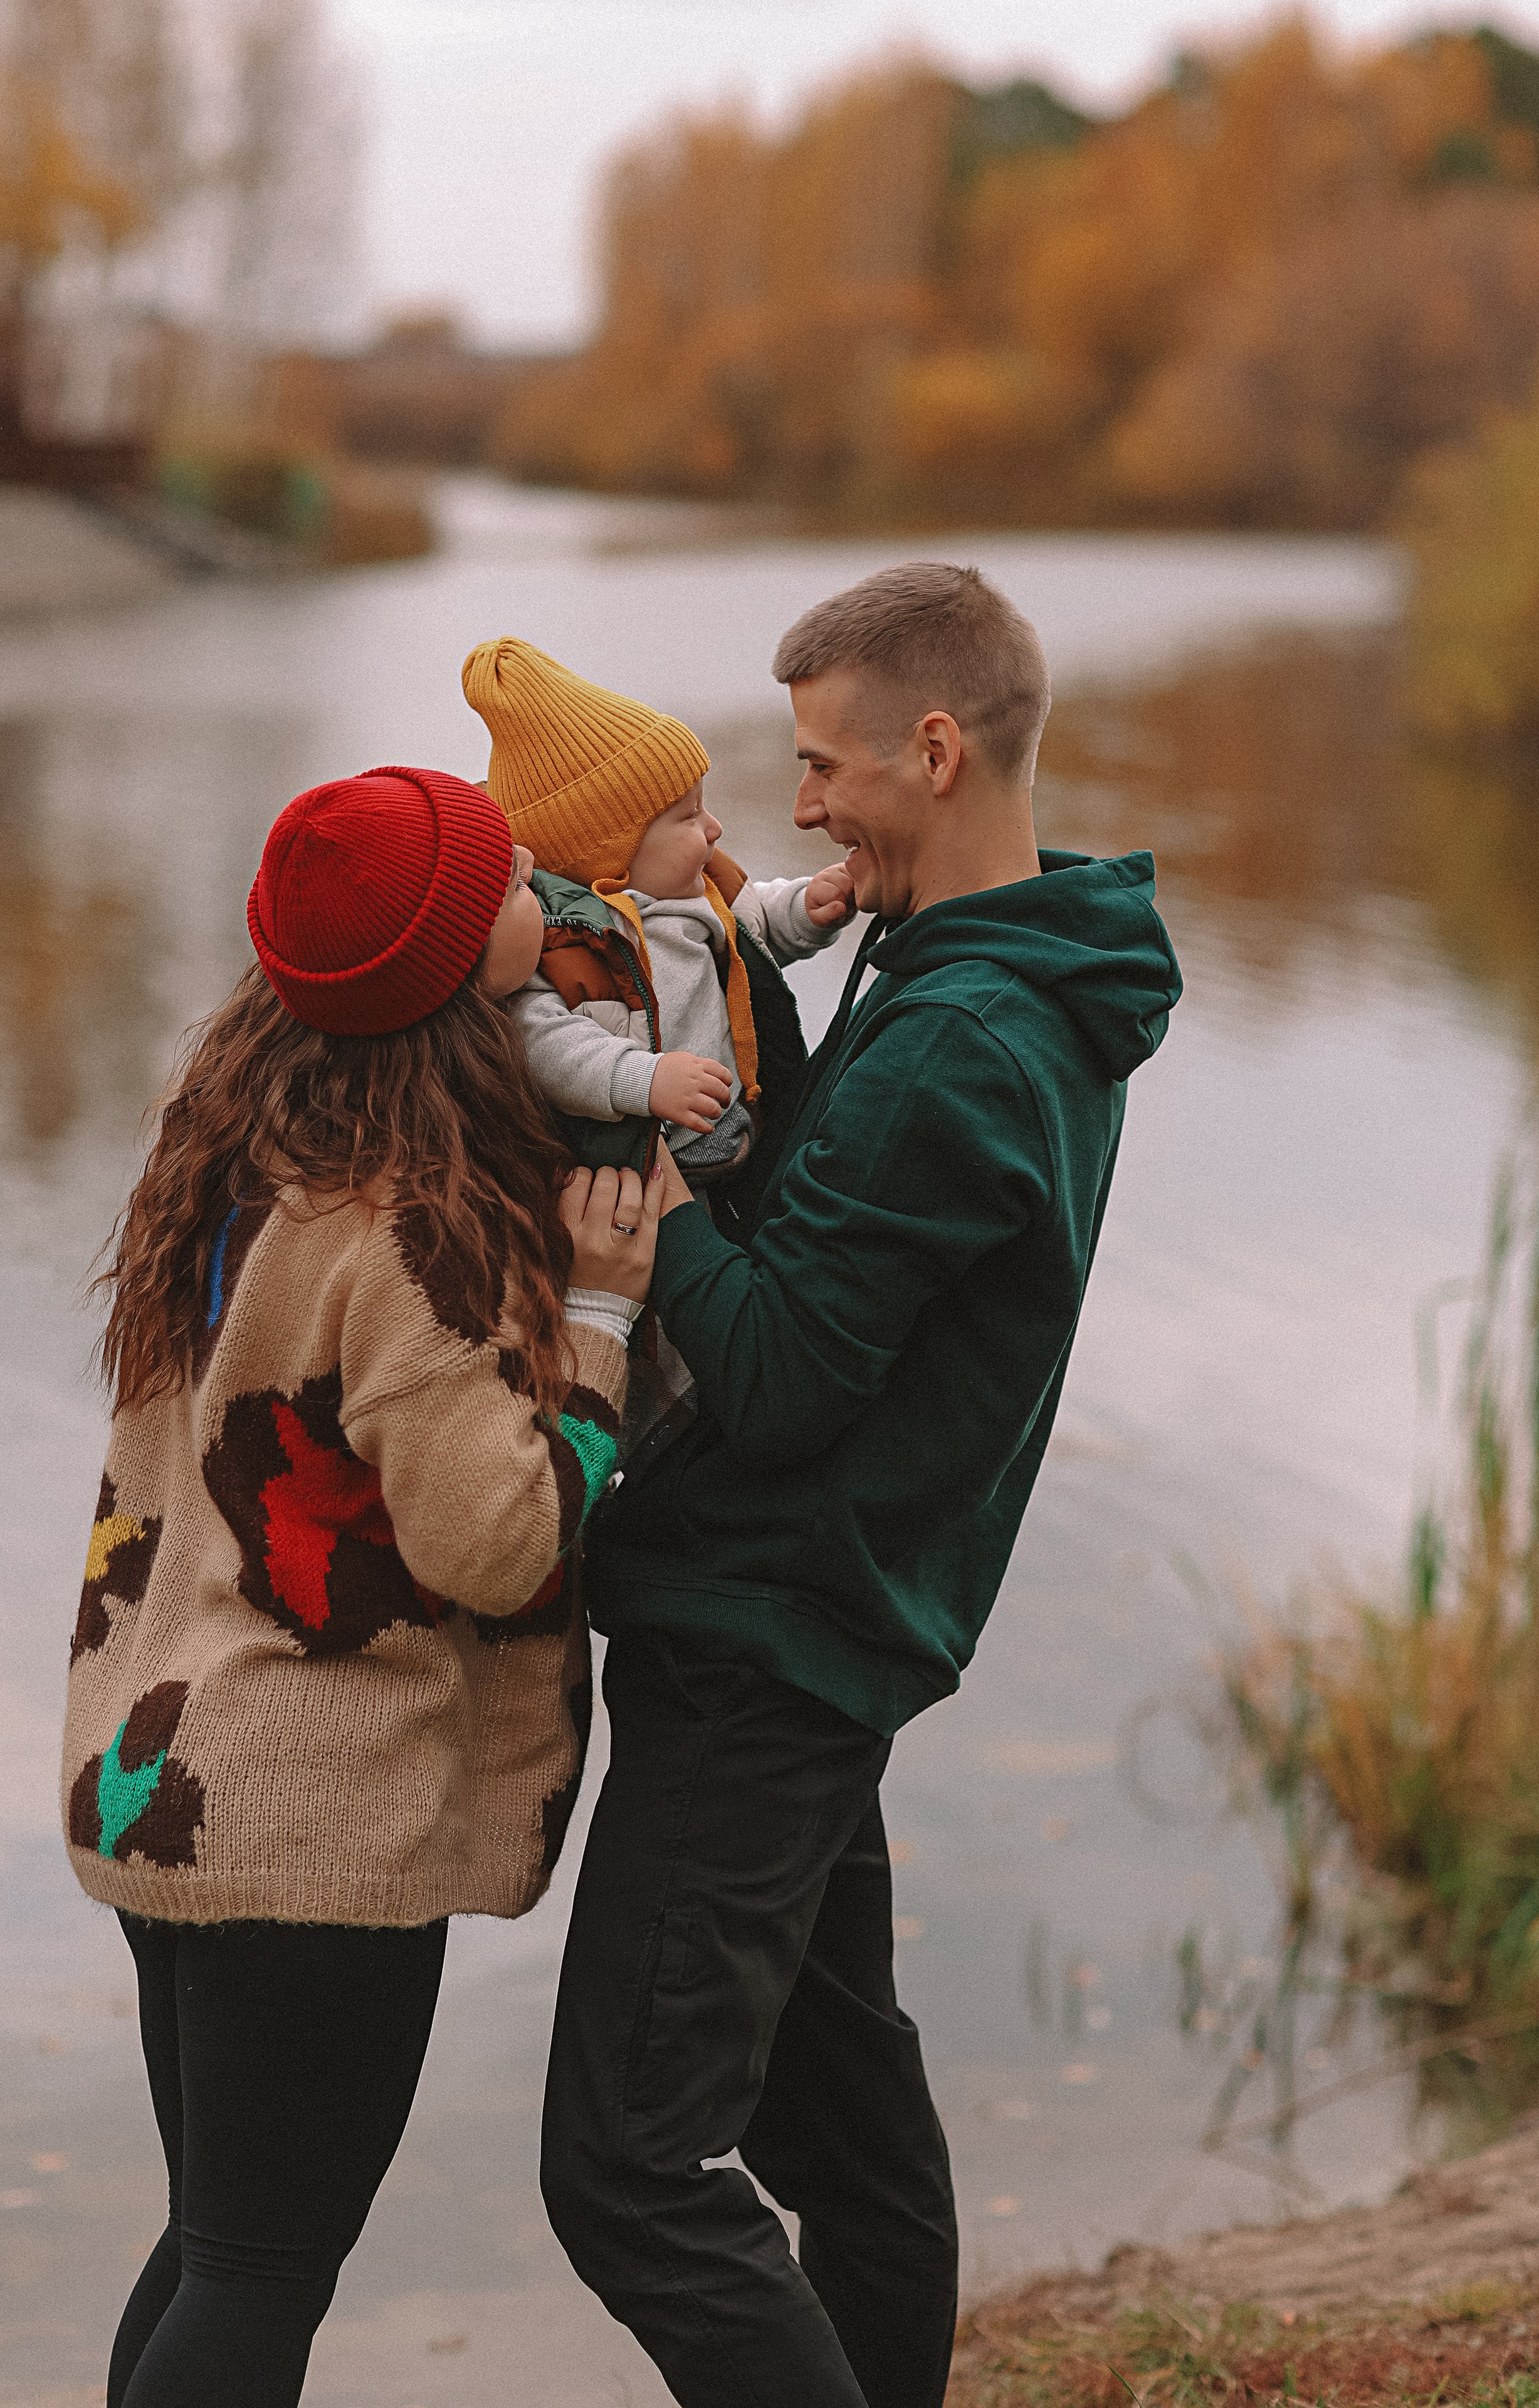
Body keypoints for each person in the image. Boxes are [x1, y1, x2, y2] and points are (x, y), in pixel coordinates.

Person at [538, 563, 1184, 2408]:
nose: (798, 806)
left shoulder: (967, 1034)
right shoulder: (986, 967)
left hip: (771, 1642)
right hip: (822, 1623)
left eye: (825, 767)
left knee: (626, 2170)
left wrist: (655, 1222)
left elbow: (791, 1373)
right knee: (851, 2159)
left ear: (934, 740)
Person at [61, 763, 661, 2408]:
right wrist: (602, 1323)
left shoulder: (230, 1158)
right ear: (456, 969)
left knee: (215, 2246)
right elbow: (497, 1540)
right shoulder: (410, 1234)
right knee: (258, 2273)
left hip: (162, 1770)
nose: (542, 885)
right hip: (304, 1811)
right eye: (510, 884)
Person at [461, 638, 854, 1203]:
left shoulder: (701, 888)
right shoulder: (560, 942)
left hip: (740, 1138)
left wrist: (808, 907)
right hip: (649, 1176)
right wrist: (644, 1080)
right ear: (611, 853)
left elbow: (754, 925)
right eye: (689, 815)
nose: (714, 827)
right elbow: (546, 1045)